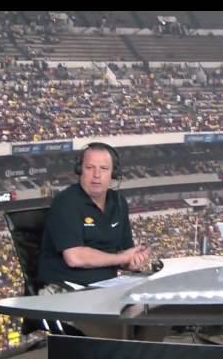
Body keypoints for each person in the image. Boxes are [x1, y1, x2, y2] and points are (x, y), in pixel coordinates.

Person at [38, 142, 161, 340]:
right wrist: (119, 257)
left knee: (157, 314)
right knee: (125, 336)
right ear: (80, 171)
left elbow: (122, 256)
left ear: (113, 173)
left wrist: (133, 260)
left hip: (106, 288)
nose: (97, 175)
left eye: (103, 169)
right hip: (69, 289)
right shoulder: (65, 202)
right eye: (89, 168)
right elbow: (75, 257)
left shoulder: (118, 202)